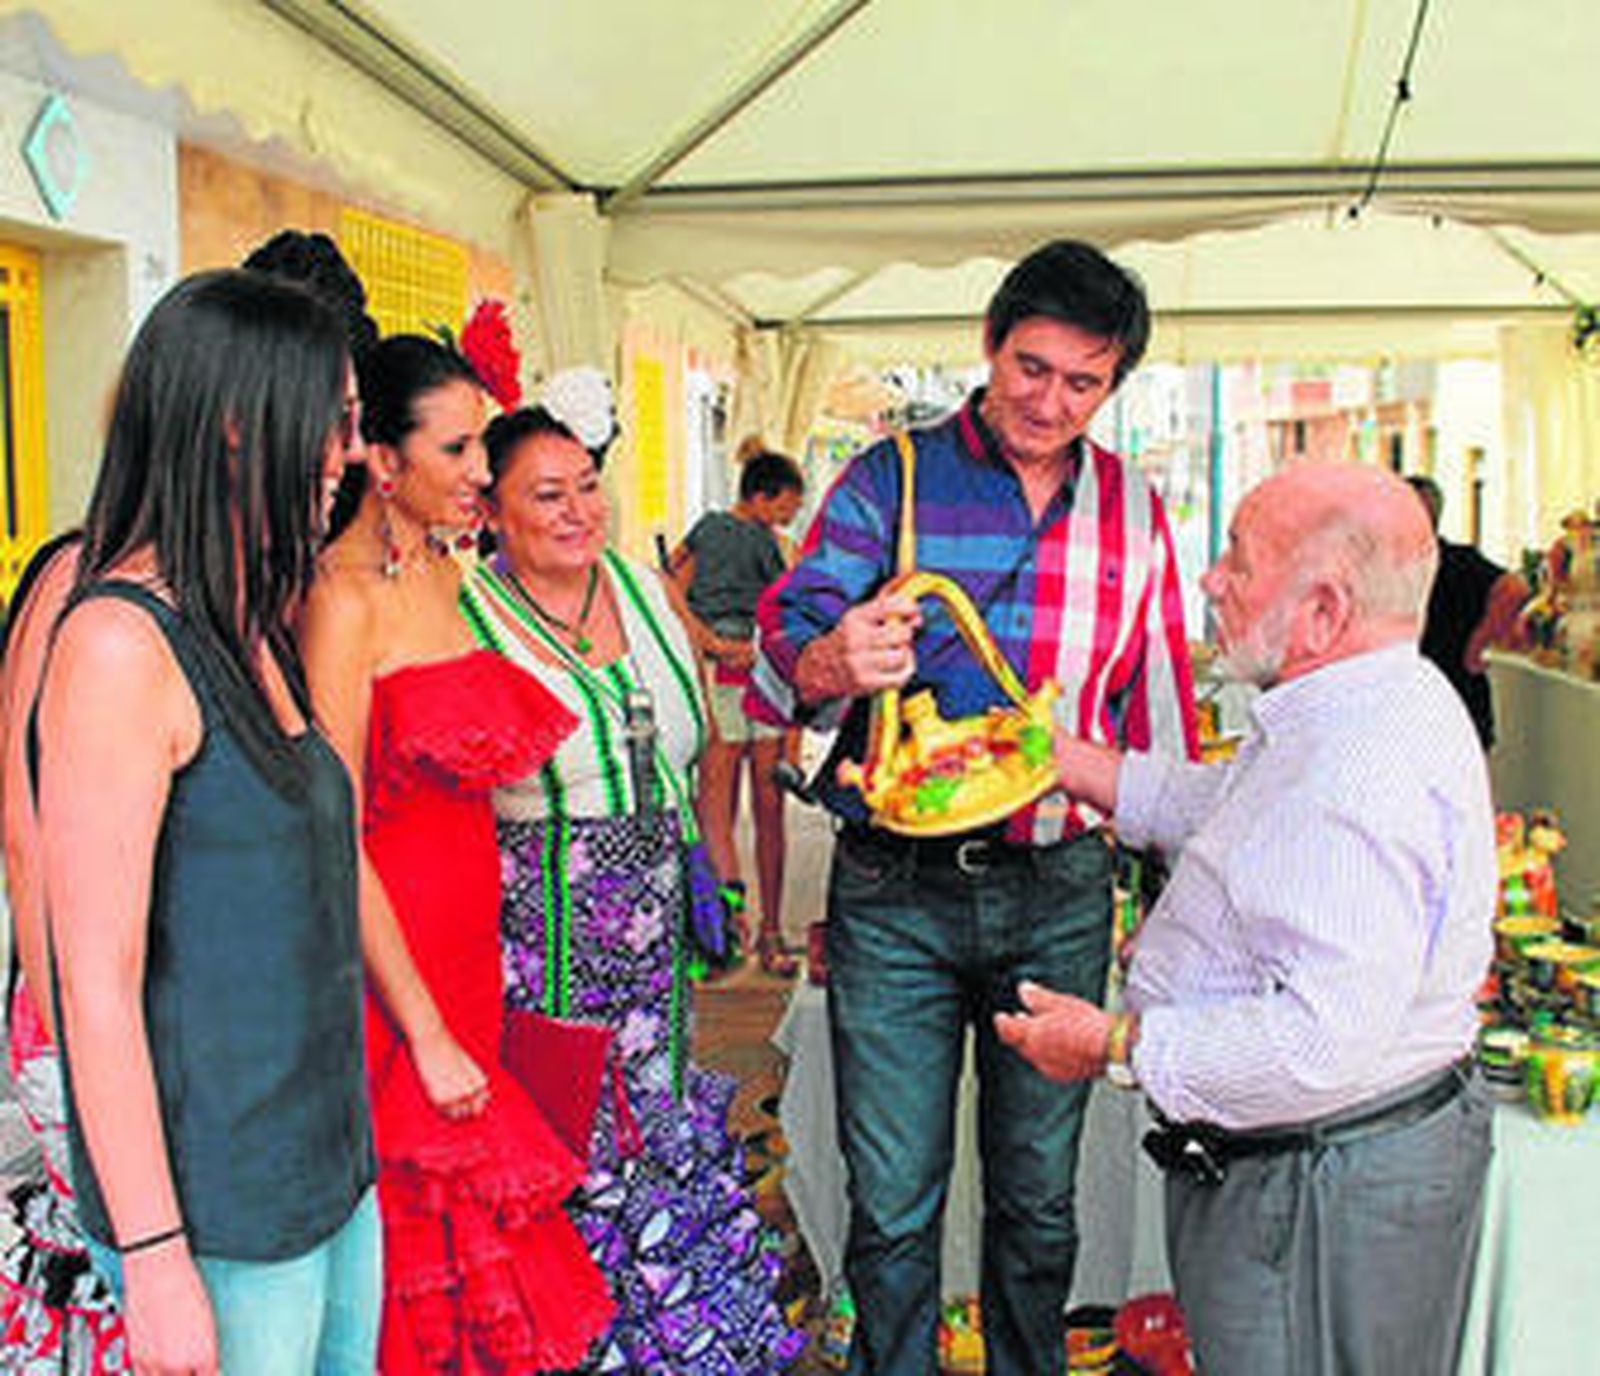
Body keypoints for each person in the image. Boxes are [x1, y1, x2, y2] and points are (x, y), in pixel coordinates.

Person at [749, 239, 1197, 1375]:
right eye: (1030, 366)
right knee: (892, 1203)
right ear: (990, 347)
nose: (1048, 400)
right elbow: (787, 635)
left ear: (1111, 386)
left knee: (1039, 1206)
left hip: (1057, 884)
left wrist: (1175, 894)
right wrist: (831, 660)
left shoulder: (1135, 512)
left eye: (1081, 380)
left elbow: (1158, 716)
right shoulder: (886, 478)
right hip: (892, 890)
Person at [1001, 461, 1493, 1374]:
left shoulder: (1357, 773)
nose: (1210, 579)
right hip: (1319, 1169)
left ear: (1323, 612)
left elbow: (1316, 1045)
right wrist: (1061, 758)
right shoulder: (1360, 700)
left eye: (1238, 558)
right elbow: (1225, 804)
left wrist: (1112, 1044)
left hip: (1320, 1188)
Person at [0, 228, 381, 1373]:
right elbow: (92, 979)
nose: (350, 454)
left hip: (324, 1166)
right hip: (217, 1200)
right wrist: (158, 1254)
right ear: (233, 421)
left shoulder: (253, 615)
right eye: (334, 417)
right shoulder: (119, 640)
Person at [459, 394, 807, 1374]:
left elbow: (697, 732)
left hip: (658, 944)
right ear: (491, 510)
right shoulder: (461, 615)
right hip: (541, 950)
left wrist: (709, 863)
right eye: (547, 494)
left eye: (589, 486)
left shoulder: (650, 590)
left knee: (657, 1141)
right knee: (570, 1156)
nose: (579, 510)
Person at [301, 335, 613, 1372]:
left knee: (482, 1264)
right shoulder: (340, 600)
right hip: (395, 985)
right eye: (461, 446)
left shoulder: (447, 572)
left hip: (471, 962)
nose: (484, 469)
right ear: (381, 461)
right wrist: (425, 1029)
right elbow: (329, 834)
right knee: (412, 1258)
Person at [670, 447, 807, 977]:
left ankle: (727, 934)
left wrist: (709, 642)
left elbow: (670, 591)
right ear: (763, 496)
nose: (788, 519)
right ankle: (767, 934)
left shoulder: (704, 532)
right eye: (786, 508)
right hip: (764, 673)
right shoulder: (776, 546)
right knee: (767, 805)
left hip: (725, 672)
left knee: (716, 811)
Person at [1406, 474, 1529, 749]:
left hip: (1459, 703)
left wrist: (1482, 639)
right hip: (1414, 712)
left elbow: (1514, 588)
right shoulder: (1391, 565)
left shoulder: (1457, 561)